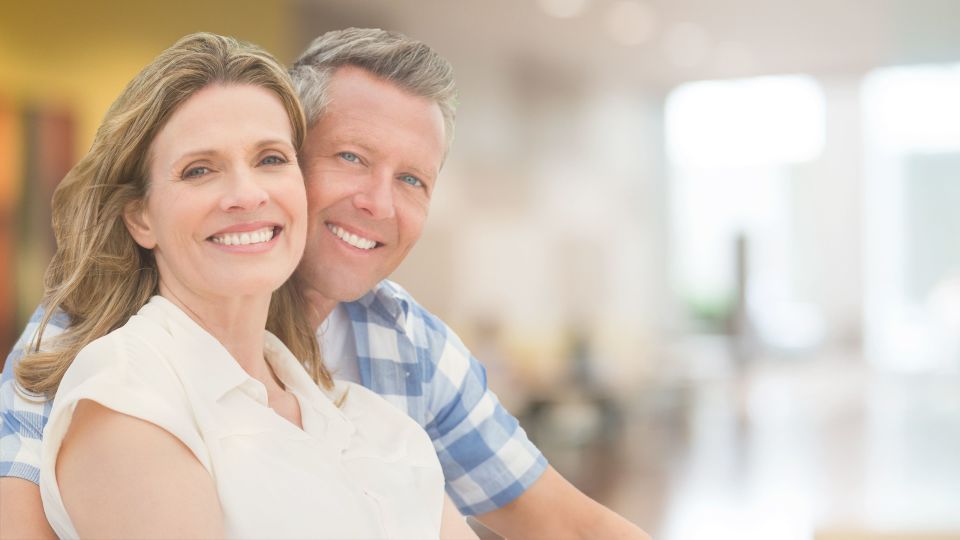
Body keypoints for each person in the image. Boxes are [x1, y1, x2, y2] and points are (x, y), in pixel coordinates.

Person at [0, 28, 650, 539]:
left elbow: (565, 522)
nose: (378, 203)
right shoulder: (97, 350)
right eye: (351, 158)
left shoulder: (390, 364)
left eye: (412, 180)